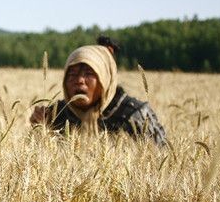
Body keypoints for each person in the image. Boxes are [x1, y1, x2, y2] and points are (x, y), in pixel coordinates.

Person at [30, 40, 167, 146]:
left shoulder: (135, 115)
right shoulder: (56, 114)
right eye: (72, 74)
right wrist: (39, 129)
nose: (79, 80)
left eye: (89, 73)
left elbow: (158, 162)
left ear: (105, 77)